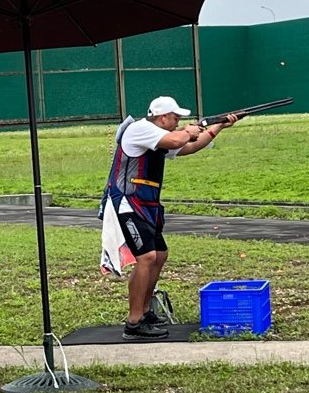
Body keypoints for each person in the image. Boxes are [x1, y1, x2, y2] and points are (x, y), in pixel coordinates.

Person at [100, 96, 239, 340]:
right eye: (175, 118)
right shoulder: (140, 128)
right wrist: (190, 130)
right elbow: (179, 138)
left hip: (146, 205)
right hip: (127, 202)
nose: (177, 123)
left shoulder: (158, 138)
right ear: (162, 117)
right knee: (146, 257)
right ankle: (134, 322)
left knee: (159, 255)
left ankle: (145, 312)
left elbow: (189, 146)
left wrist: (219, 125)